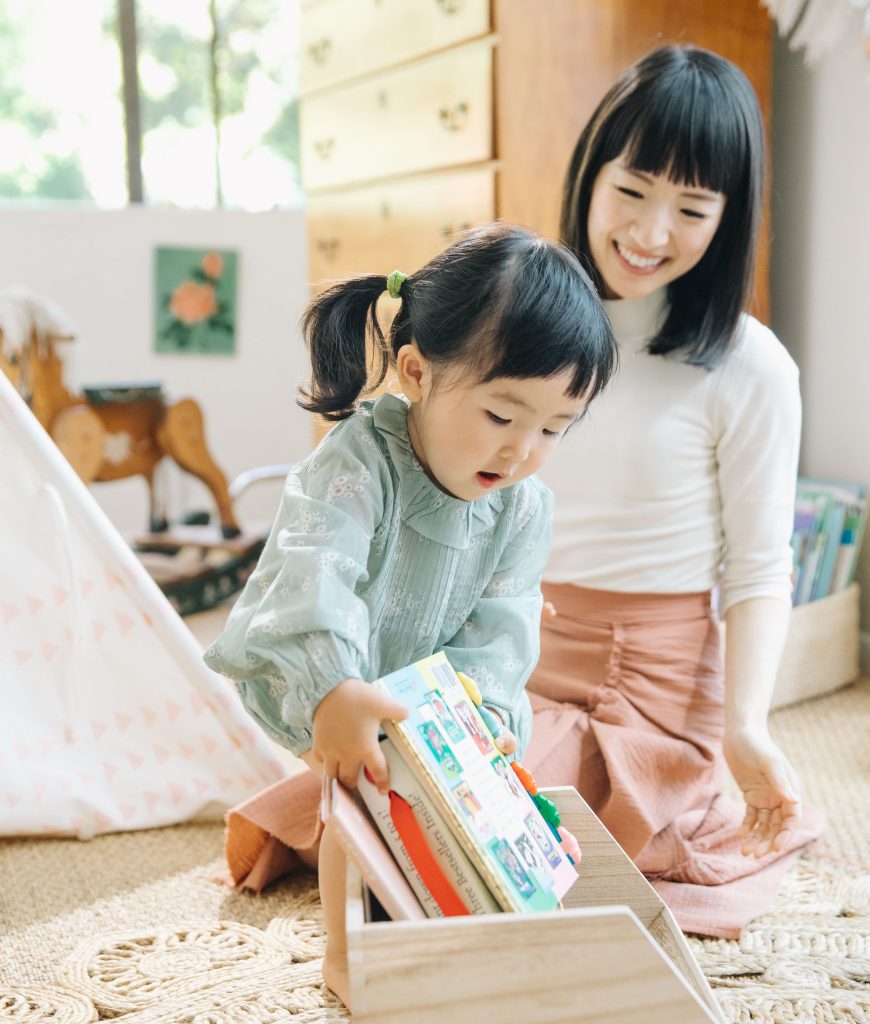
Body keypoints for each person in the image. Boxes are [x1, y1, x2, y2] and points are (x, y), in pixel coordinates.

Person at [204, 222, 616, 1007]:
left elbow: (504, 623)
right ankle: (344, 957)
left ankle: (460, 927)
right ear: (417, 372)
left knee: (484, 811)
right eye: (502, 416)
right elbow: (311, 571)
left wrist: (483, 716)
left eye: (554, 429)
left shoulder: (521, 506)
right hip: (348, 674)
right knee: (355, 802)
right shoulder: (357, 462)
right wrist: (333, 688)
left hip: (437, 693)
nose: (524, 450)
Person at [525, 44, 824, 939]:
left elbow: (761, 567)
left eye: (692, 208)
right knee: (389, 783)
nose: (653, 233)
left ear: (728, 219)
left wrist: (747, 727)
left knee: (507, 827)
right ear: (591, 175)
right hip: (517, 643)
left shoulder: (749, 365)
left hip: (647, 681)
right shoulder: (526, 325)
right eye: (632, 192)